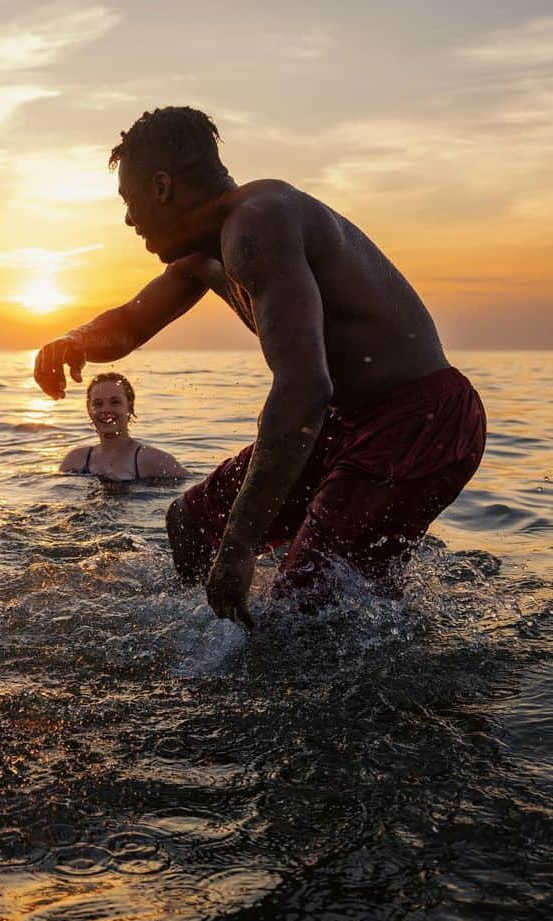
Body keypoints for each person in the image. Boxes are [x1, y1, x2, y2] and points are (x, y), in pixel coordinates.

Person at [33, 107, 485, 627]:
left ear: (161, 186)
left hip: (420, 421)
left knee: (306, 598)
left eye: (128, 202)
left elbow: (304, 386)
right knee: (190, 523)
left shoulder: (259, 222)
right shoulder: (204, 252)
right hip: (342, 422)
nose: (129, 220)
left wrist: (242, 542)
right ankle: (216, 635)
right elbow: (131, 324)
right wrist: (73, 341)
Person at [60, 372, 188, 481]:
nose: (105, 410)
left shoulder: (156, 460)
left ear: (130, 407)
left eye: (115, 402)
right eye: (98, 404)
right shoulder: (75, 461)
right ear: (89, 409)